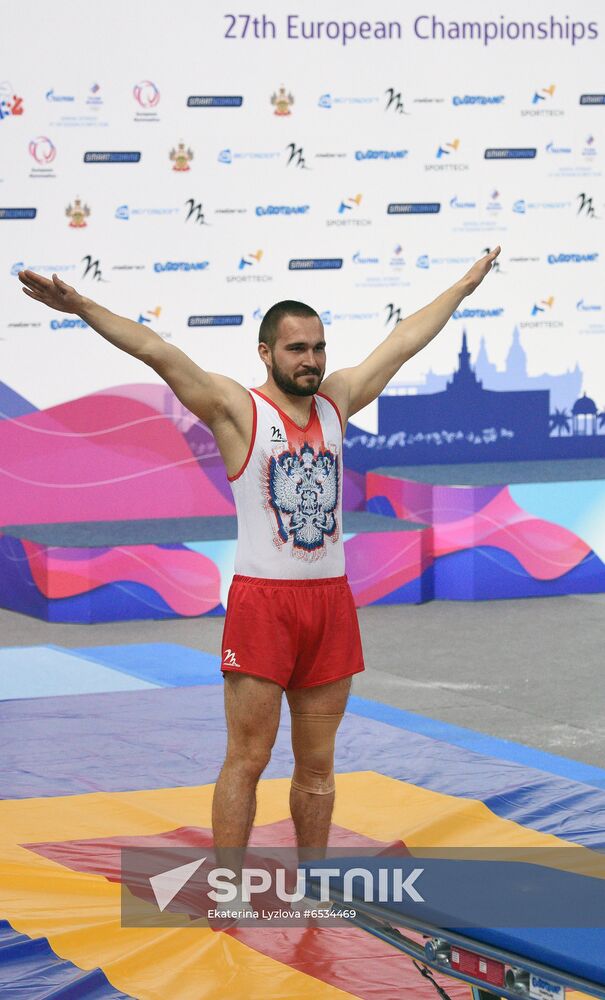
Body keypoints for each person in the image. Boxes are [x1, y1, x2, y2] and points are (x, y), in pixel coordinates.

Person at [17, 248, 500, 896]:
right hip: (263, 605)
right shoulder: (237, 410)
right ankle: (225, 889)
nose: (311, 360)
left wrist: (463, 285)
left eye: (319, 348)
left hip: (329, 604)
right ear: (266, 354)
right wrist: (80, 307)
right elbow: (158, 352)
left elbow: (403, 340)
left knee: (319, 767)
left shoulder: (338, 401)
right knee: (247, 759)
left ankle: (314, 883)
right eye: (297, 349)